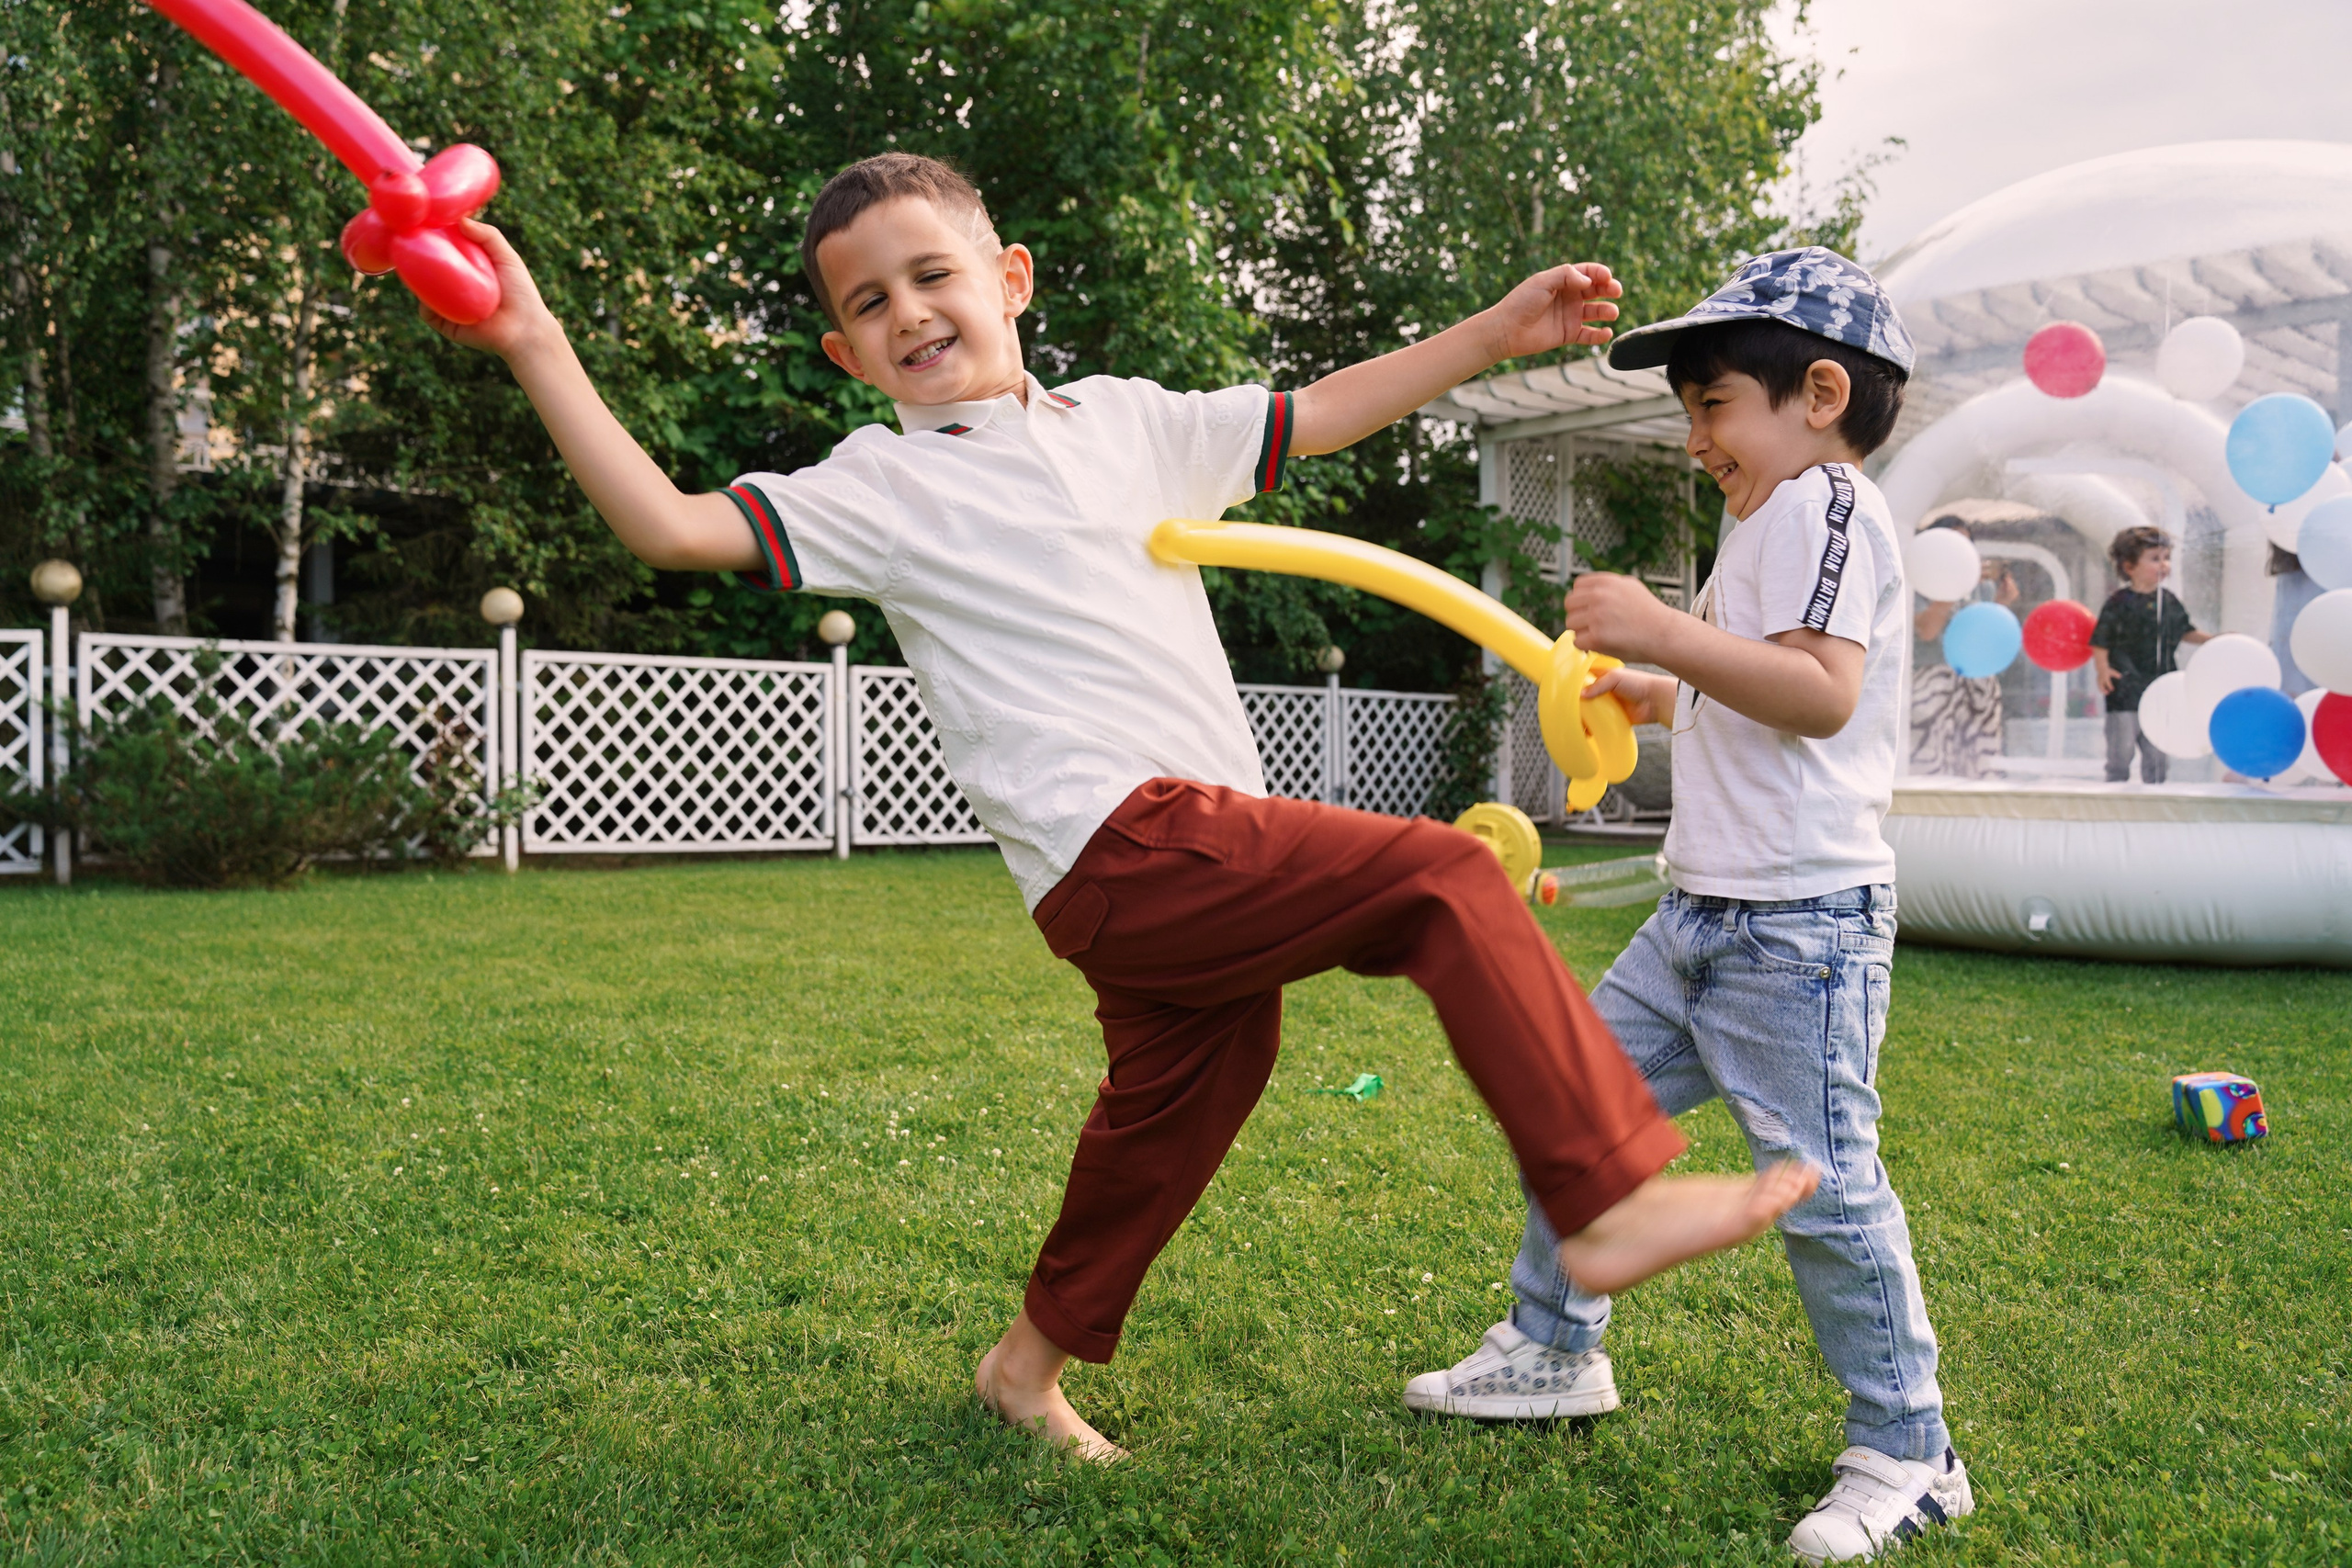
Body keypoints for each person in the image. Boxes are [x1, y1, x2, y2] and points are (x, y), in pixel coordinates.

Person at [424, 152, 1819, 1465]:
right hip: (1124, 840)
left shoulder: (1135, 426)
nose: (909, 312)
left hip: (1173, 848)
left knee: (1187, 1097)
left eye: (932, 275)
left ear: (1010, 278)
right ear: (846, 357)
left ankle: (1022, 1366)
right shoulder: (884, 487)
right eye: (869, 303)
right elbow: (670, 527)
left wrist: (1492, 330)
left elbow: (1322, 411)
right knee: (1440, 878)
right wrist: (538, 342)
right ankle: (1608, 1195)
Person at [1403, 250, 1970, 1564]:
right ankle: (1553, 1349)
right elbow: (1756, 691)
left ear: (1819, 392)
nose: (1693, 430)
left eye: (1712, 401)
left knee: (1825, 1189)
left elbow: (1821, 691)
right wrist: (1660, 694)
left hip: (1796, 927)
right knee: (1569, 1102)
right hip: (1699, 912)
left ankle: (1911, 1446)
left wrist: (1658, 632)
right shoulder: (1765, 519)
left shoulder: (1832, 506)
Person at [2090, 525, 2211, 784]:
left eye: (2166, 558)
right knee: (2120, 750)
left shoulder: (2167, 601)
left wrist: (2214, 641)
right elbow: (2101, 639)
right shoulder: (2118, 602)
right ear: (2129, 567)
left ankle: (2156, 793)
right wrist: (2102, 669)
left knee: (2157, 750)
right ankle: (2115, 789)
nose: (2164, 565)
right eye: (2155, 559)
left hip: (2160, 689)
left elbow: (2185, 631)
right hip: (2123, 688)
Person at [1907, 515, 2016, 777]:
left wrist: (2002, 602)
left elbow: (1983, 640)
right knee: (1931, 760)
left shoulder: (1979, 588)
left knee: (1980, 753)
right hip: (1929, 683)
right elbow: (1926, 630)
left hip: (1972, 683)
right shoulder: (1915, 584)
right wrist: (1952, 585)